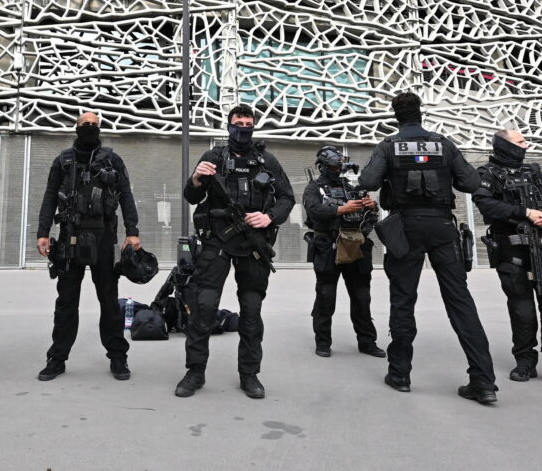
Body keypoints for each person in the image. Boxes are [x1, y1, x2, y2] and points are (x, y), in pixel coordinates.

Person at [357, 92, 497, 404]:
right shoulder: (444, 144)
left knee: (403, 300)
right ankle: (483, 381)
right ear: (421, 114)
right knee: (460, 301)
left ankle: (400, 374)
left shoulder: (388, 145)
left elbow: (367, 181)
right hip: (442, 227)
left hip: (405, 228)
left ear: (397, 116)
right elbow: (471, 183)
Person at [175, 104, 295, 399]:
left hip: (253, 243)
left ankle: (249, 373)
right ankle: (195, 371)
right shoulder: (213, 157)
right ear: (228, 126)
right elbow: (192, 197)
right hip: (216, 240)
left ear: (253, 126)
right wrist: (196, 178)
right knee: (203, 305)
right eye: (237, 122)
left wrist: (269, 217)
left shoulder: (266, 160)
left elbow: (287, 198)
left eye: (247, 123)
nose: (243, 127)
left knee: (251, 310)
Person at [36, 112, 140, 382]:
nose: (90, 128)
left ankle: (118, 357)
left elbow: (127, 194)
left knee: (109, 300)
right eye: (85, 124)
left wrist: (133, 232)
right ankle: (56, 359)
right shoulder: (63, 160)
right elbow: (49, 196)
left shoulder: (112, 160)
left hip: (103, 238)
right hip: (70, 236)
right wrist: (42, 233)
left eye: (94, 125)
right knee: (66, 302)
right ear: (76, 127)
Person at [473, 129, 542, 382]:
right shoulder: (487, 174)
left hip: (540, 243)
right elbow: (485, 204)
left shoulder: (533, 171)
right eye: (520, 141)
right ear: (504, 145)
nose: (526, 145)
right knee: (521, 306)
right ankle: (525, 361)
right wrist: (524, 212)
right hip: (512, 249)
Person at [303, 145, 384, 359]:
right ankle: (323, 342)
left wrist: (371, 206)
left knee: (361, 296)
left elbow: (371, 217)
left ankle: (367, 341)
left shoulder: (351, 186)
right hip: (328, 246)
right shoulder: (314, 188)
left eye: (339, 165)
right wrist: (340, 209)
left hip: (355, 243)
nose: (337, 169)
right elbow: (313, 211)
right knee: (326, 295)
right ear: (322, 166)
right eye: (333, 166)